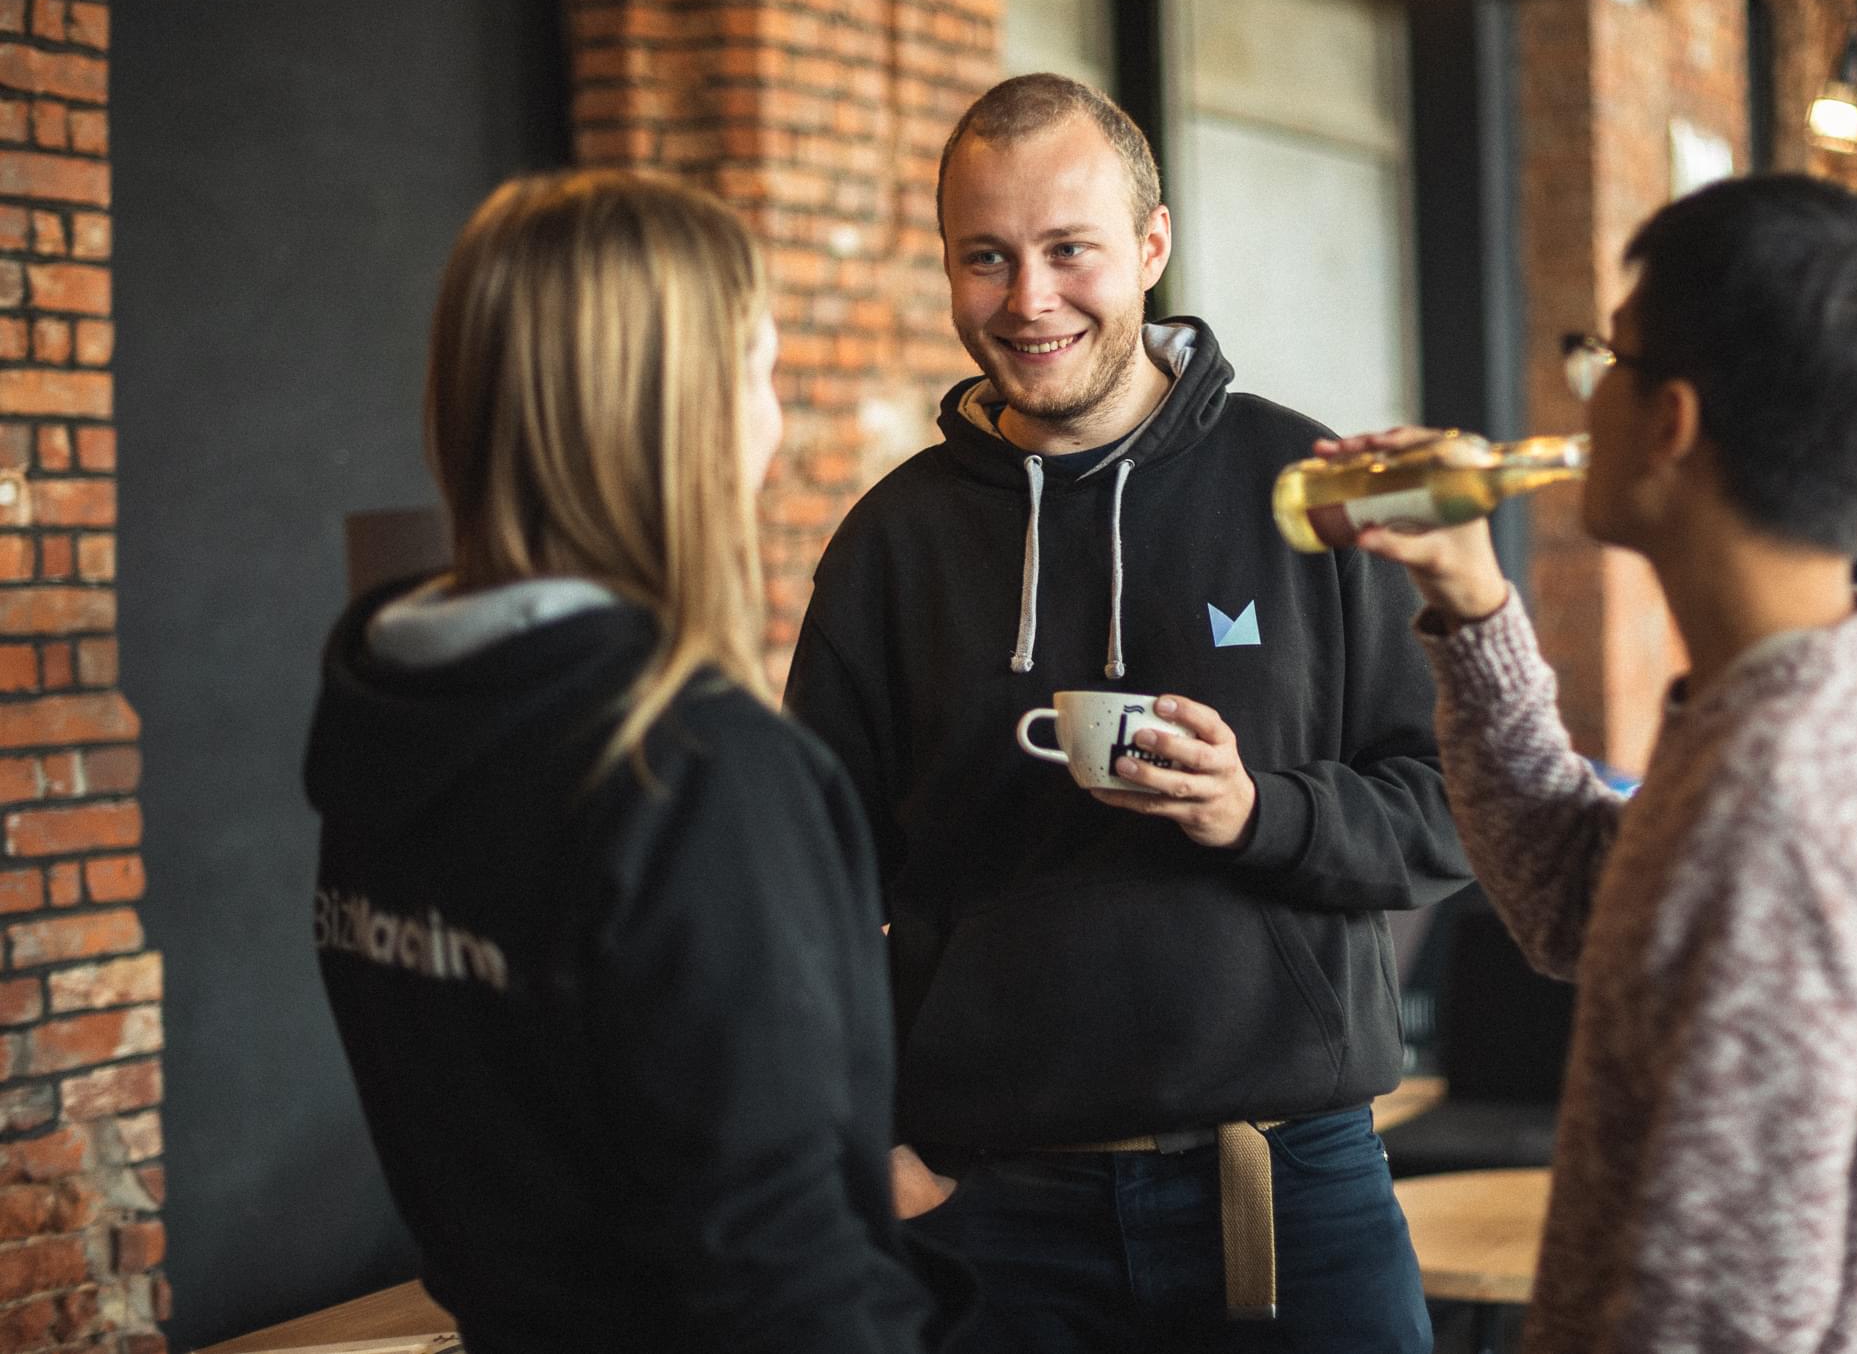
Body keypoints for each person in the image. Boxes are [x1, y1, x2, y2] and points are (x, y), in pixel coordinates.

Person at [787, 72, 1469, 1352]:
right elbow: (806, 887)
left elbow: (1448, 807)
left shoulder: (1308, 485)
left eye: (1069, 251)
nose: (1028, 299)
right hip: (985, 1216)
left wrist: (1258, 811)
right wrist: (864, 1142)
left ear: (1153, 246)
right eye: (986, 257)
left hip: (1284, 1194)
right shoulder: (893, 540)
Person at [307, 170, 960, 1353]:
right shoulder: (699, 771)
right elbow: (779, 1279)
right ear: (683, 409)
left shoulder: (392, 711)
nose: (775, 418)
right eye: (760, 371)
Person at [1339, 174, 1857, 1353]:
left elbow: (1722, 1307)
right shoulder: (1848, 683)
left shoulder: (1784, 791)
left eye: (1607, 362)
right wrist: (1472, 602)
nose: (1582, 409)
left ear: (1671, 423)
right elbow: (1581, 905)